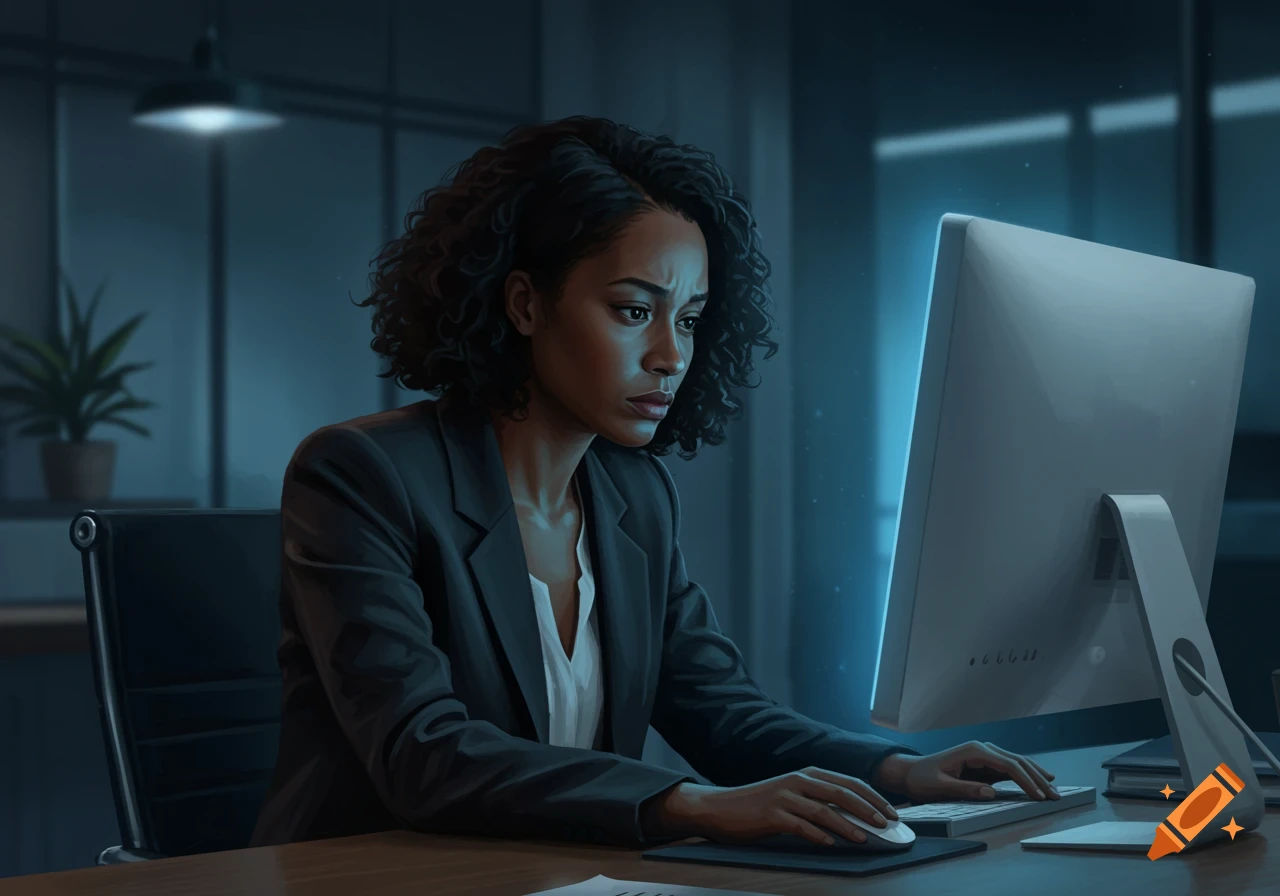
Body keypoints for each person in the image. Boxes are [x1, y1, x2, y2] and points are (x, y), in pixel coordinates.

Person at [251, 116, 1058, 850]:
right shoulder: (363, 476)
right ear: (525, 303)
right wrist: (691, 804)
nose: (672, 355)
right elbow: (422, 753)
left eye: (692, 319)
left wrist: (896, 771)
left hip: (559, 875)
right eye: (635, 310)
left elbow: (720, 712)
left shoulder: (633, 495)